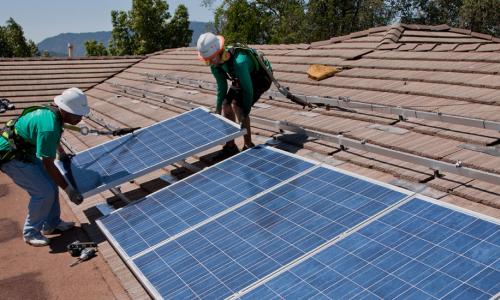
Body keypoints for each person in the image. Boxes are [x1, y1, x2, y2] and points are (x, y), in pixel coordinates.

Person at [0, 87, 89, 246]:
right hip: (11, 156)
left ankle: (52, 224)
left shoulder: (54, 114)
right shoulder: (49, 126)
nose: (80, 118)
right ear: (65, 110)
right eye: (76, 114)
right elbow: (49, 163)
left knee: (51, 185)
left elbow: (54, 138)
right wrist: (69, 190)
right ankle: (30, 233)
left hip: (23, 150)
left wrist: (61, 153)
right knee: (43, 192)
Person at [196, 32, 272, 155]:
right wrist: (217, 112)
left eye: (212, 58)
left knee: (238, 106)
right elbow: (222, 88)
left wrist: (245, 113)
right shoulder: (215, 64)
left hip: (260, 78)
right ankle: (230, 146)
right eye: (207, 60)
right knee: (226, 105)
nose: (211, 62)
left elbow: (248, 90)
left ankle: (248, 145)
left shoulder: (239, 61)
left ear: (220, 52)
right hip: (240, 78)